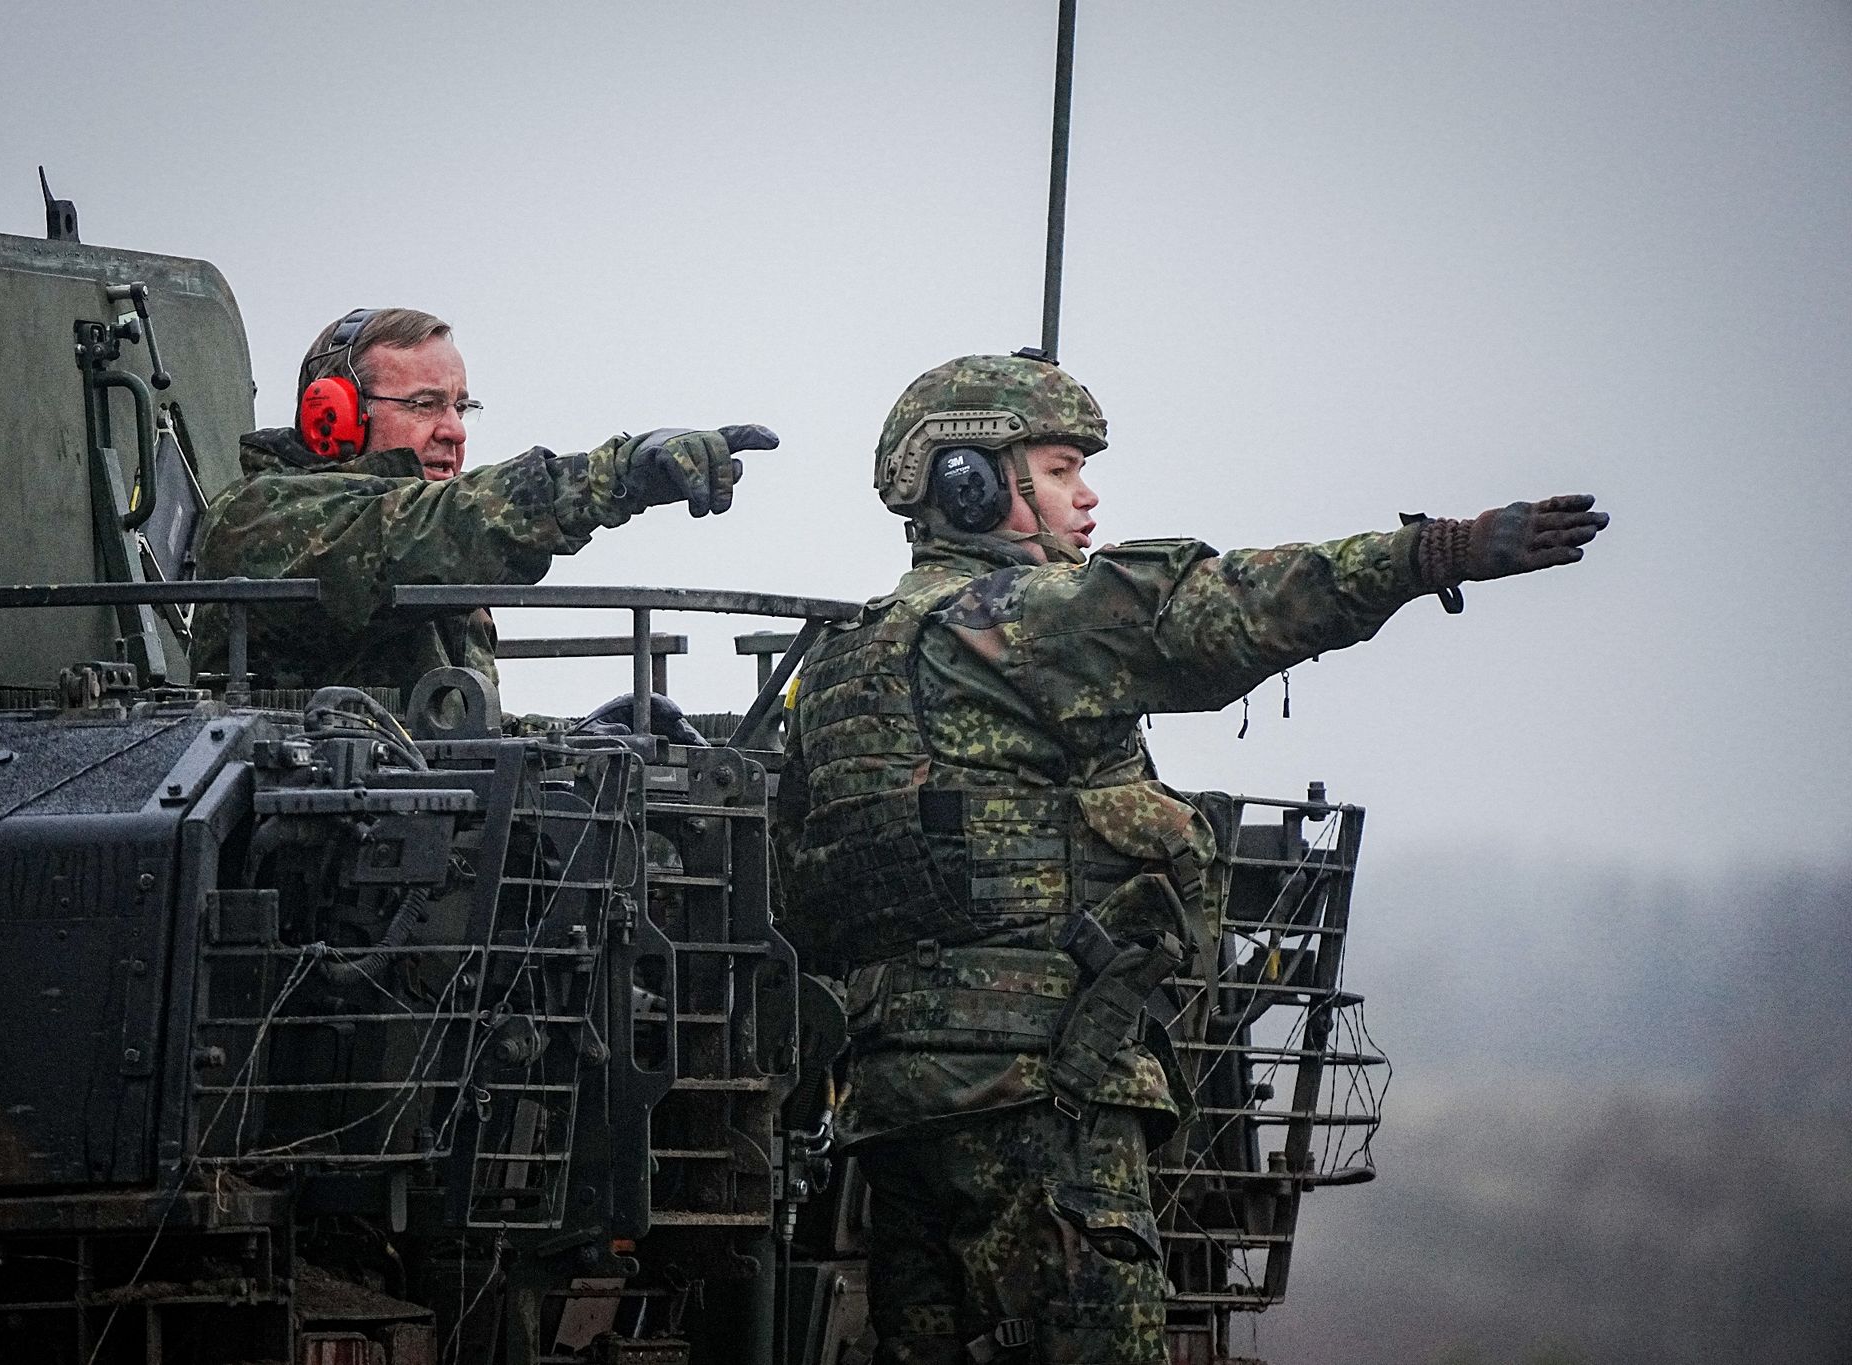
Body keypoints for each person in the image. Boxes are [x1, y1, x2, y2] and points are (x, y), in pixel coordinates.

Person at [777, 351, 1608, 1363]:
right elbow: (1213, 614)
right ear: (970, 481)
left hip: (893, 1103)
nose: (1086, 497)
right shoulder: (1010, 624)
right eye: (1057, 468)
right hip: (1042, 1091)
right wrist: (1433, 553)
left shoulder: (837, 665)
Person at [192, 307, 776, 694]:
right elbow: (425, 528)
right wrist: (613, 475)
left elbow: (441, 735)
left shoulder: (439, 551)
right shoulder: (260, 519)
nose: (454, 430)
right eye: (424, 405)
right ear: (333, 416)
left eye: (460, 406)